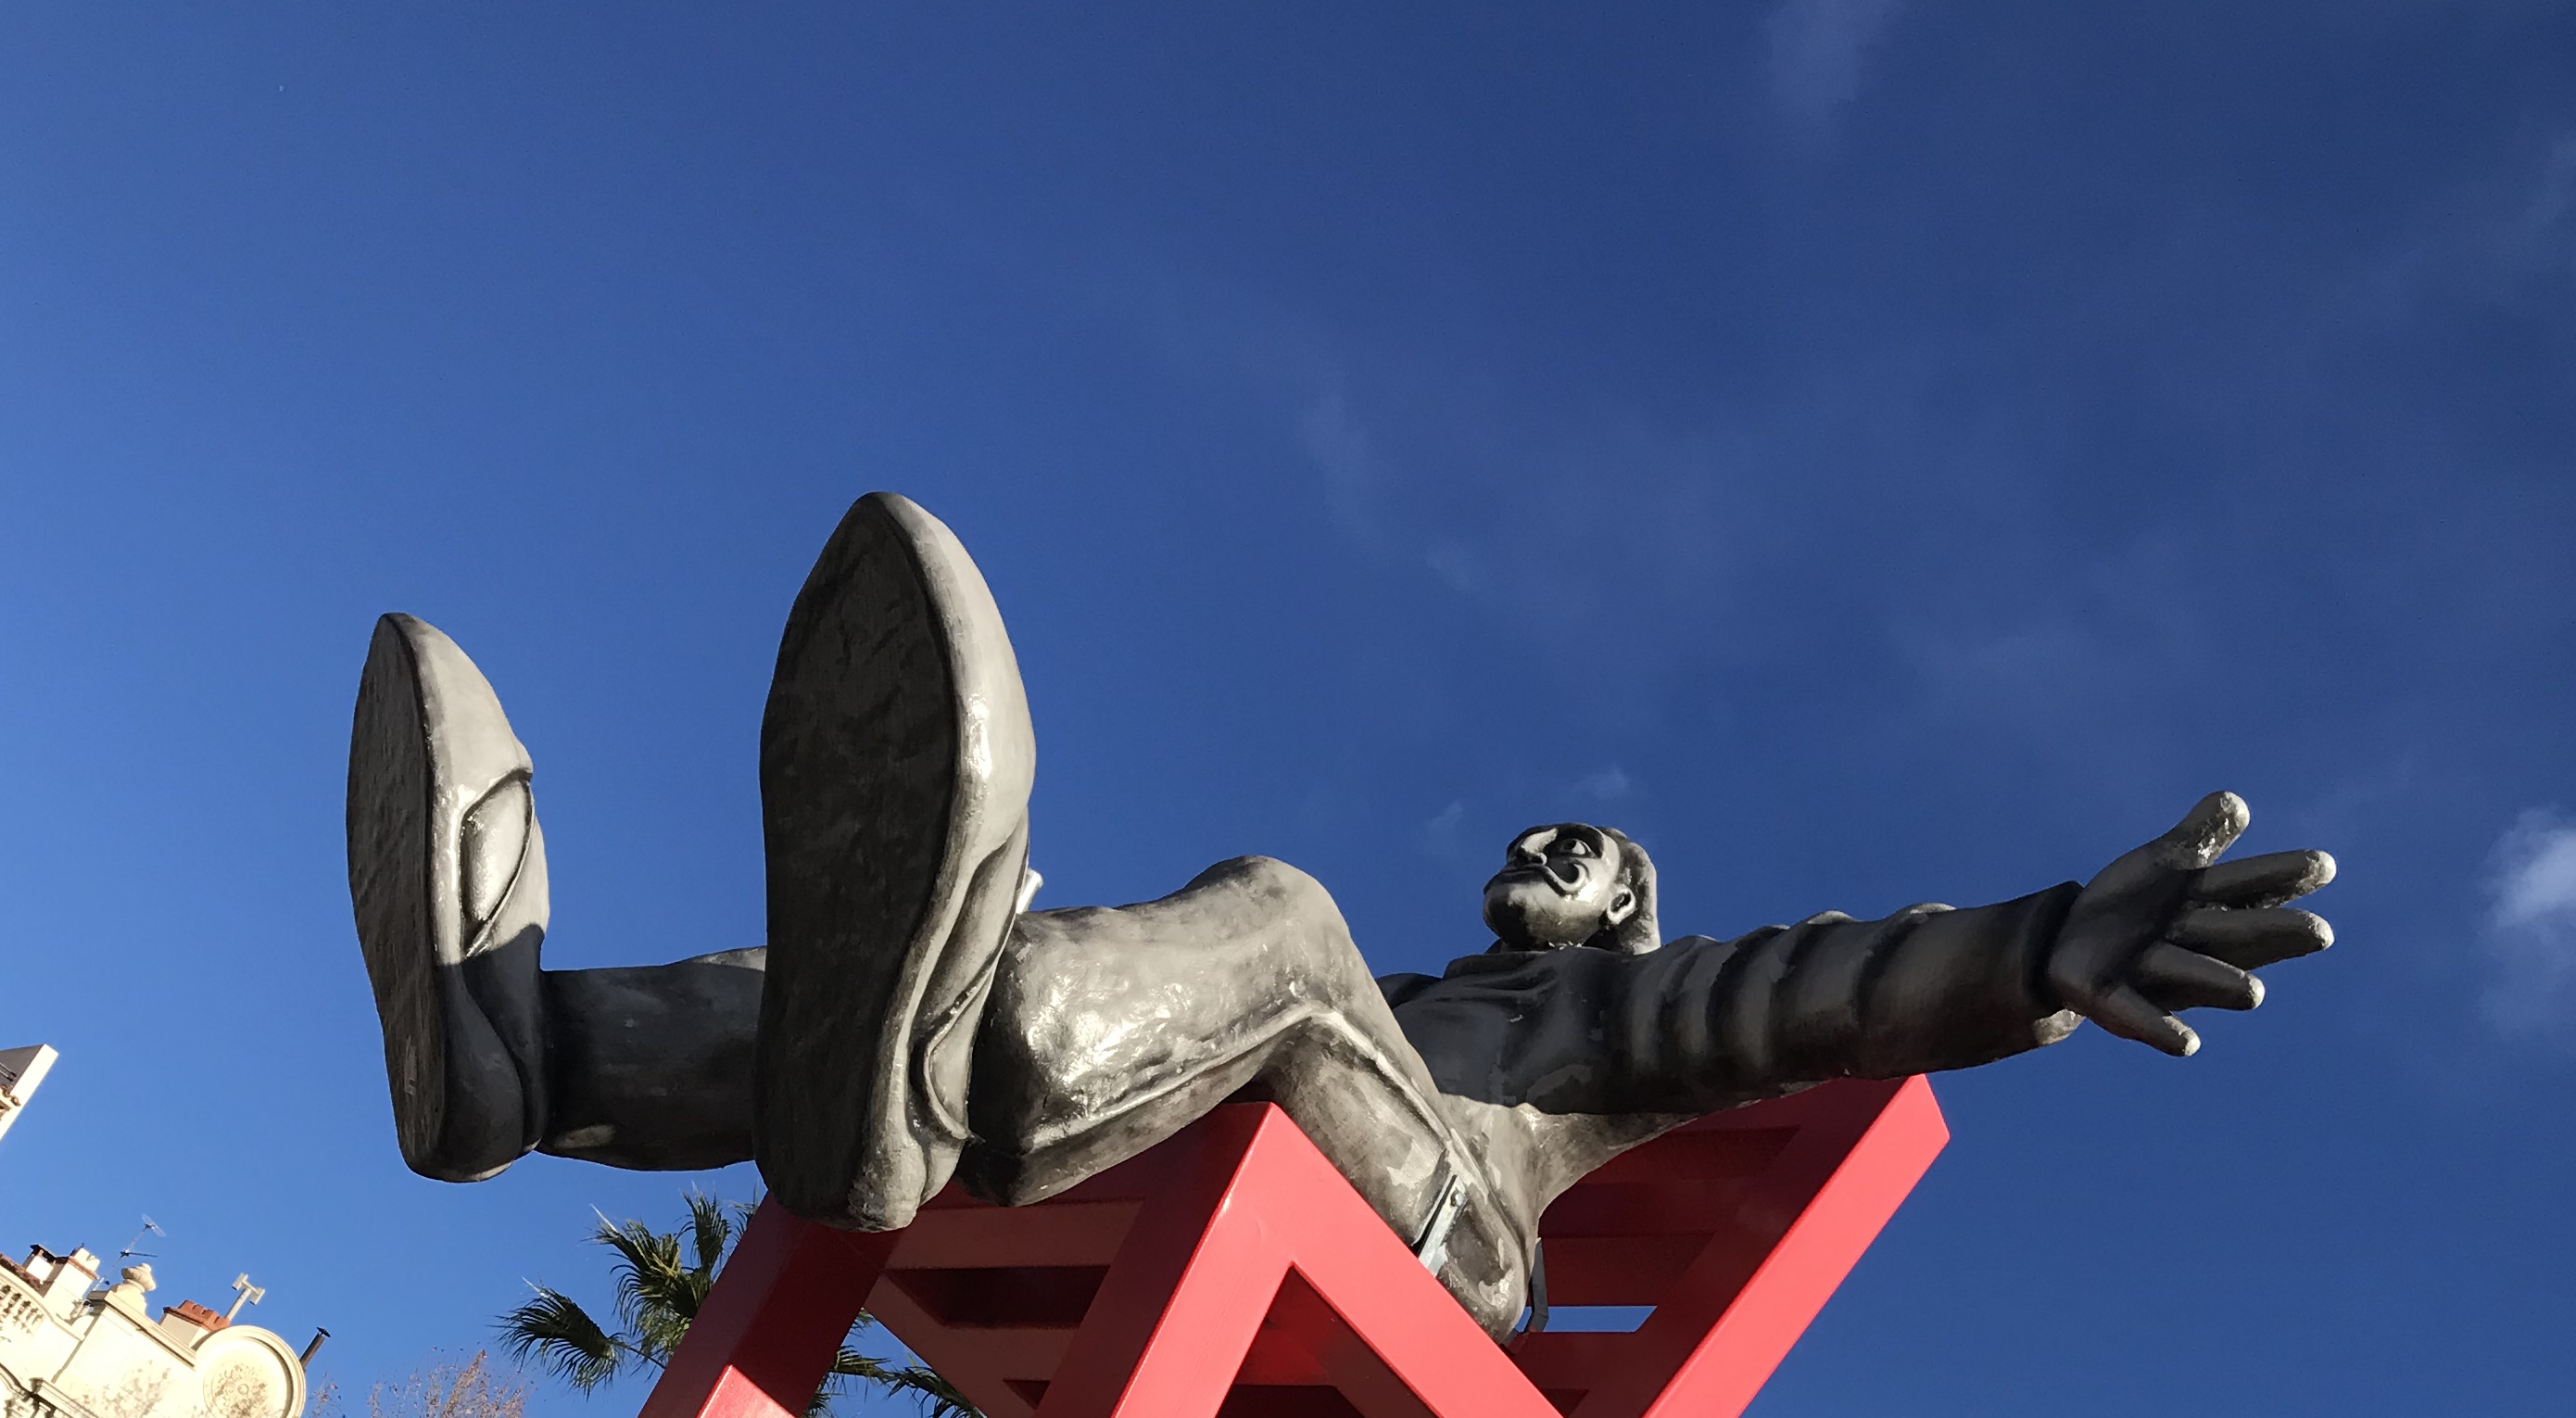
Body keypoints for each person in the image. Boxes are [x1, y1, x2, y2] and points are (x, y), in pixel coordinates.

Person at [347, 494, 2334, 1336]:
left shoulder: (1631, 1018)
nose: (1535, 853)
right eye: (1533, 839)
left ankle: (921, 1061)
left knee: (1276, 917)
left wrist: (2039, 948)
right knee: (980, 963)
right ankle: (529, 1060)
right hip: (1281, 1139)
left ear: (1629, 906)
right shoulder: (1398, 994)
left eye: (1574, 849)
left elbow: (1827, 989)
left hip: (1459, 1251)